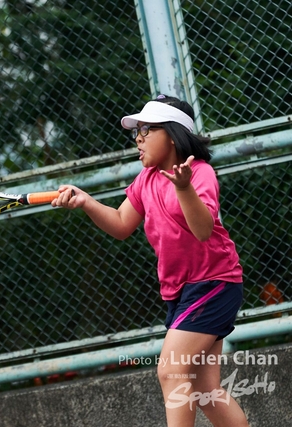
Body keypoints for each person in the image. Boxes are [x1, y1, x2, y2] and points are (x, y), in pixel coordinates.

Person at [52, 95, 248, 427]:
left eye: (146, 129)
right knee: (204, 389)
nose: (138, 138)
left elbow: (202, 231)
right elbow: (120, 224)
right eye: (136, 131)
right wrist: (86, 201)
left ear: (172, 134)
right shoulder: (147, 179)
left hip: (214, 283)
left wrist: (184, 189)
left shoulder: (200, 174)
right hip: (180, 292)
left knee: (172, 371)